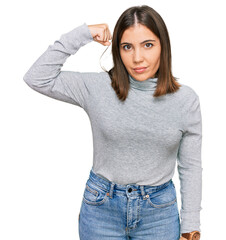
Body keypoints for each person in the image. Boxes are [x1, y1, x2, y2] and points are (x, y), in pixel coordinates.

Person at [23, 4, 202, 240]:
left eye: (148, 45)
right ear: (117, 50)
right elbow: (36, 77)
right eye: (127, 47)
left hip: (159, 214)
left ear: (163, 46)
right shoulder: (98, 88)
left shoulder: (185, 100)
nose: (137, 58)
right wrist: (84, 33)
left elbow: (190, 167)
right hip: (101, 209)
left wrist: (191, 228)